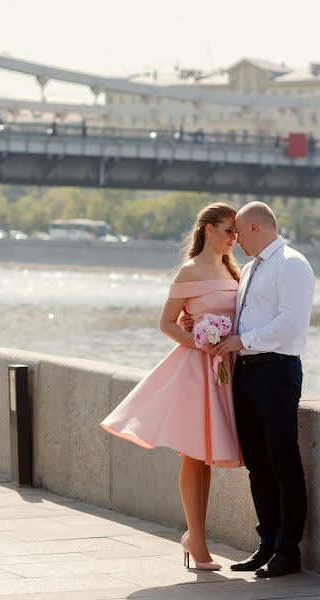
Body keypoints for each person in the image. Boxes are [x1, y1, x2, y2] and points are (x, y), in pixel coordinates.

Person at [101, 202, 243, 571]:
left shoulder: (233, 270)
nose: (234, 238)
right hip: (197, 372)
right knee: (195, 454)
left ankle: (193, 536)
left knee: (207, 458)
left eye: (237, 232)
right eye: (228, 230)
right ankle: (197, 541)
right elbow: (166, 323)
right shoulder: (189, 271)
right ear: (209, 230)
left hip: (225, 372)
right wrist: (201, 341)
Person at [214, 201, 316, 578]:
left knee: (282, 461)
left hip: (277, 371)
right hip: (247, 373)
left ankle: (289, 552)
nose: (235, 240)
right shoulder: (253, 268)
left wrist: (244, 340)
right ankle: (268, 543)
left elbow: (290, 323)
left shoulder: (293, 264)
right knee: (257, 463)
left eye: (238, 232)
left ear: (255, 227)